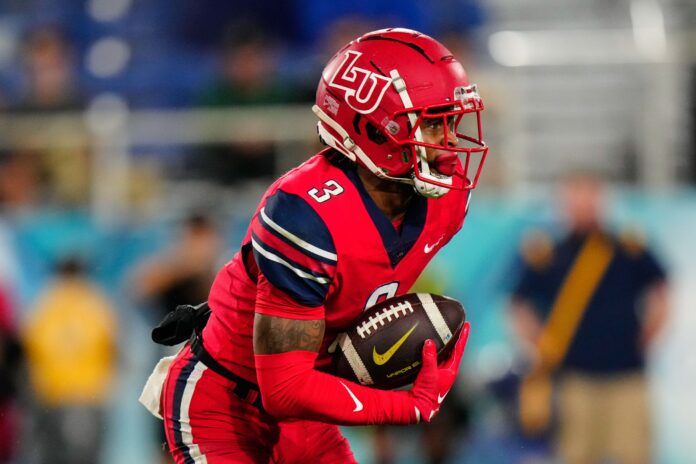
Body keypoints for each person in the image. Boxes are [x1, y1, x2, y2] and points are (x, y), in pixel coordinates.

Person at [142, 28, 489, 463]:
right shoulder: (308, 214)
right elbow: (284, 389)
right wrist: (404, 405)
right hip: (225, 401)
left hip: (302, 413)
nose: (450, 143)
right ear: (373, 129)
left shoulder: (448, 197)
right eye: (433, 124)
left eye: (451, 121)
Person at [509, 172, 669, 464]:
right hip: (574, 378)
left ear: (601, 200)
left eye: (589, 196)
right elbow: (518, 303)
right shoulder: (549, 254)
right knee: (576, 455)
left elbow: (661, 289)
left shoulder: (627, 248)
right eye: (575, 197)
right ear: (563, 204)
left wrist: (649, 334)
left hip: (627, 376)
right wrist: (542, 344)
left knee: (636, 454)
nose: (582, 204)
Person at [23, 257, 119, 464]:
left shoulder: (44, 302)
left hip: (51, 393)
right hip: (89, 392)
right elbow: (113, 346)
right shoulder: (97, 302)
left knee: (51, 455)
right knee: (87, 456)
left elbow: (30, 347)